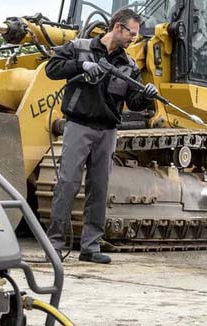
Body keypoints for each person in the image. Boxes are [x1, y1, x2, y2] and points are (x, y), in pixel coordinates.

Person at [44, 8, 158, 264]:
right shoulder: (79, 47)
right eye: (132, 33)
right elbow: (51, 69)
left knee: (99, 188)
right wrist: (80, 65)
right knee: (68, 183)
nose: (134, 39)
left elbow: (134, 101)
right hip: (79, 125)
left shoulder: (128, 66)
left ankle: (90, 247)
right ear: (117, 27)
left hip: (107, 131)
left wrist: (146, 95)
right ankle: (54, 245)